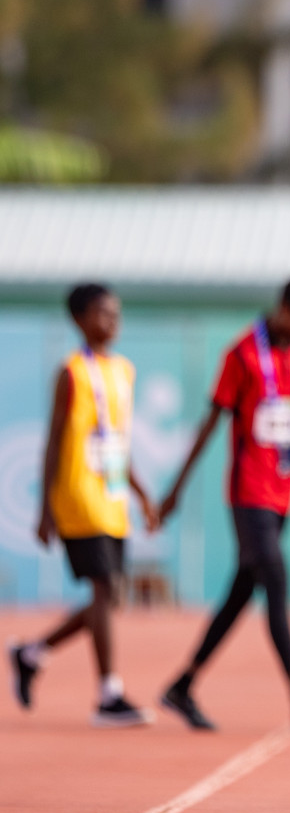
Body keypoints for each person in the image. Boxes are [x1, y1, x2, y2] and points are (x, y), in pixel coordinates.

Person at [157, 274, 290, 734]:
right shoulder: (241, 354)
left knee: (242, 591)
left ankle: (182, 686)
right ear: (286, 306)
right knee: (276, 580)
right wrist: (177, 488)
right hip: (248, 494)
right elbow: (211, 421)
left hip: (283, 492)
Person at [9, 283, 160, 725]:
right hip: (78, 492)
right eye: (102, 314)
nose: (112, 322)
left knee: (110, 595)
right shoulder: (71, 372)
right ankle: (108, 695)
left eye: (116, 313)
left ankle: (32, 652)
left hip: (111, 493)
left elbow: (118, 440)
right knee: (101, 587)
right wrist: (43, 507)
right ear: (79, 319)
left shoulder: (125, 371)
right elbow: (55, 438)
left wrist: (142, 492)